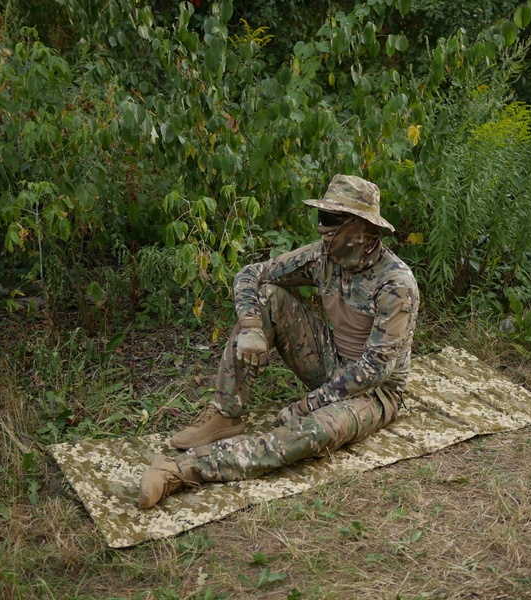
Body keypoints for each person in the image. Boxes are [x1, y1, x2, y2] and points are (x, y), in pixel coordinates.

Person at [137, 174, 419, 509]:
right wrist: (252, 324)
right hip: (331, 362)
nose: (320, 229)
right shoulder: (322, 259)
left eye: (330, 220)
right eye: (321, 218)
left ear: (360, 229)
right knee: (269, 296)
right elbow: (251, 274)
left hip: (376, 392)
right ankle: (226, 412)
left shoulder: (395, 284)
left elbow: (375, 369)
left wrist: (311, 404)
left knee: (314, 432)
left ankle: (182, 470)